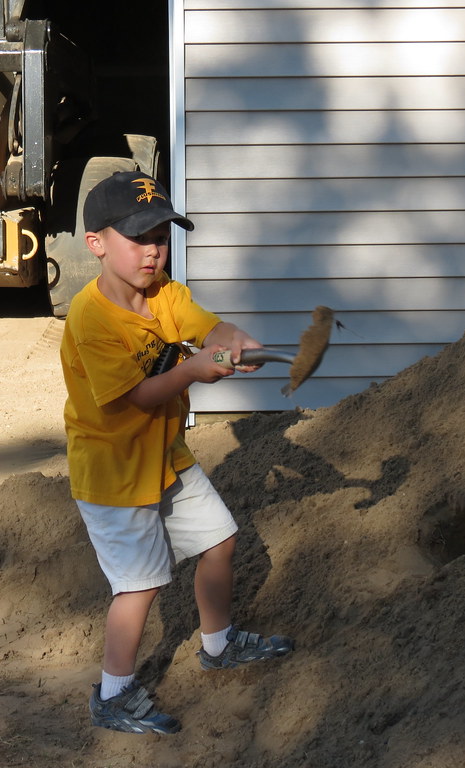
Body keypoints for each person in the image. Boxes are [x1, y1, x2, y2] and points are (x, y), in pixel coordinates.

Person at [59, 170, 293, 735]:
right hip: (114, 474)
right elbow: (137, 397)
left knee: (221, 539)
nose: (154, 250)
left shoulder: (165, 295)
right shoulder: (90, 319)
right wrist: (194, 369)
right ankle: (113, 694)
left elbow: (209, 328)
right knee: (139, 586)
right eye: (138, 237)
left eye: (161, 235)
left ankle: (217, 645)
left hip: (165, 456)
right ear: (96, 244)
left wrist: (238, 344)